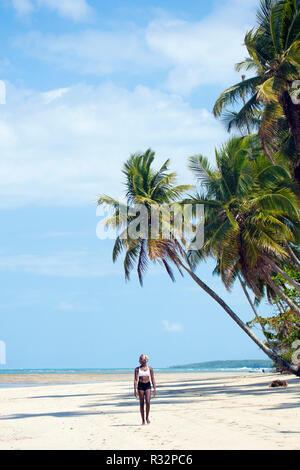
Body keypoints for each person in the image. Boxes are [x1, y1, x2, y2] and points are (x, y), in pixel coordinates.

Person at [134, 354, 156, 425]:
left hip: (147, 385)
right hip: (140, 386)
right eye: (139, 359)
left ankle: (147, 417)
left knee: (148, 402)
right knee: (141, 403)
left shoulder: (150, 369)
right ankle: (143, 420)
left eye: (141, 359)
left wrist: (154, 388)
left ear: (145, 360)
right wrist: (135, 389)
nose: (139, 360)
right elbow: (135, 380)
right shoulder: (137, 369)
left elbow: (152, 378)